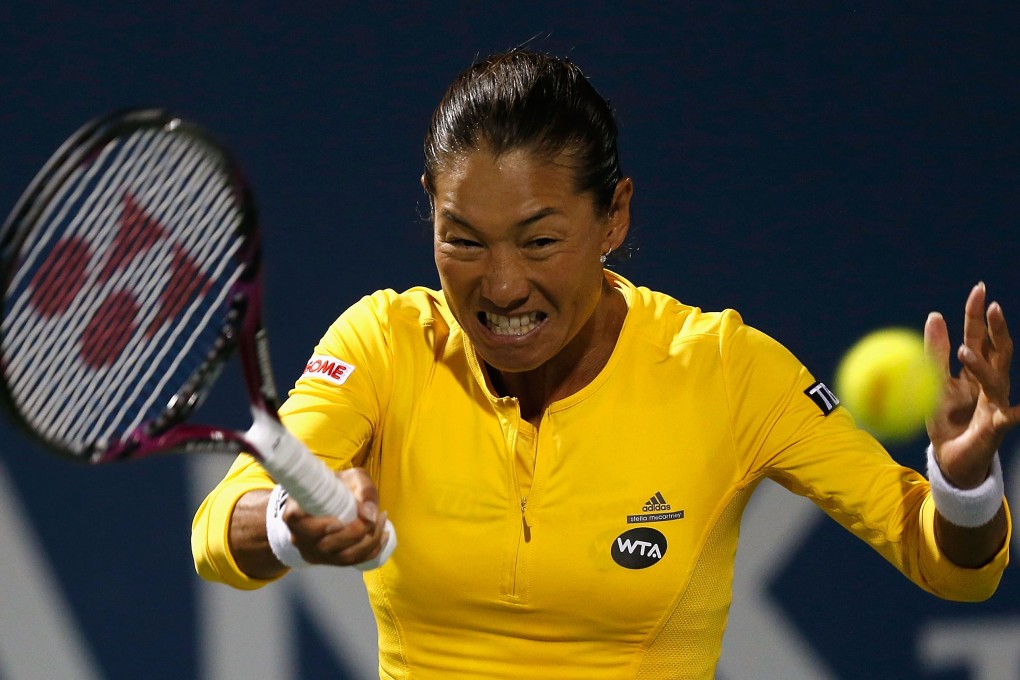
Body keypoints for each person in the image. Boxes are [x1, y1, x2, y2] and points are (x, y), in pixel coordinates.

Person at [192, 50, 1014, 679]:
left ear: (614, 215)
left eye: (541, 240)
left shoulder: (725, 369)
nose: (502, 284)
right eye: (463, 241)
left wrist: (965, 484)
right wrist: (286, 530)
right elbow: (217, 530)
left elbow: (947, 564)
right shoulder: (383, 341)